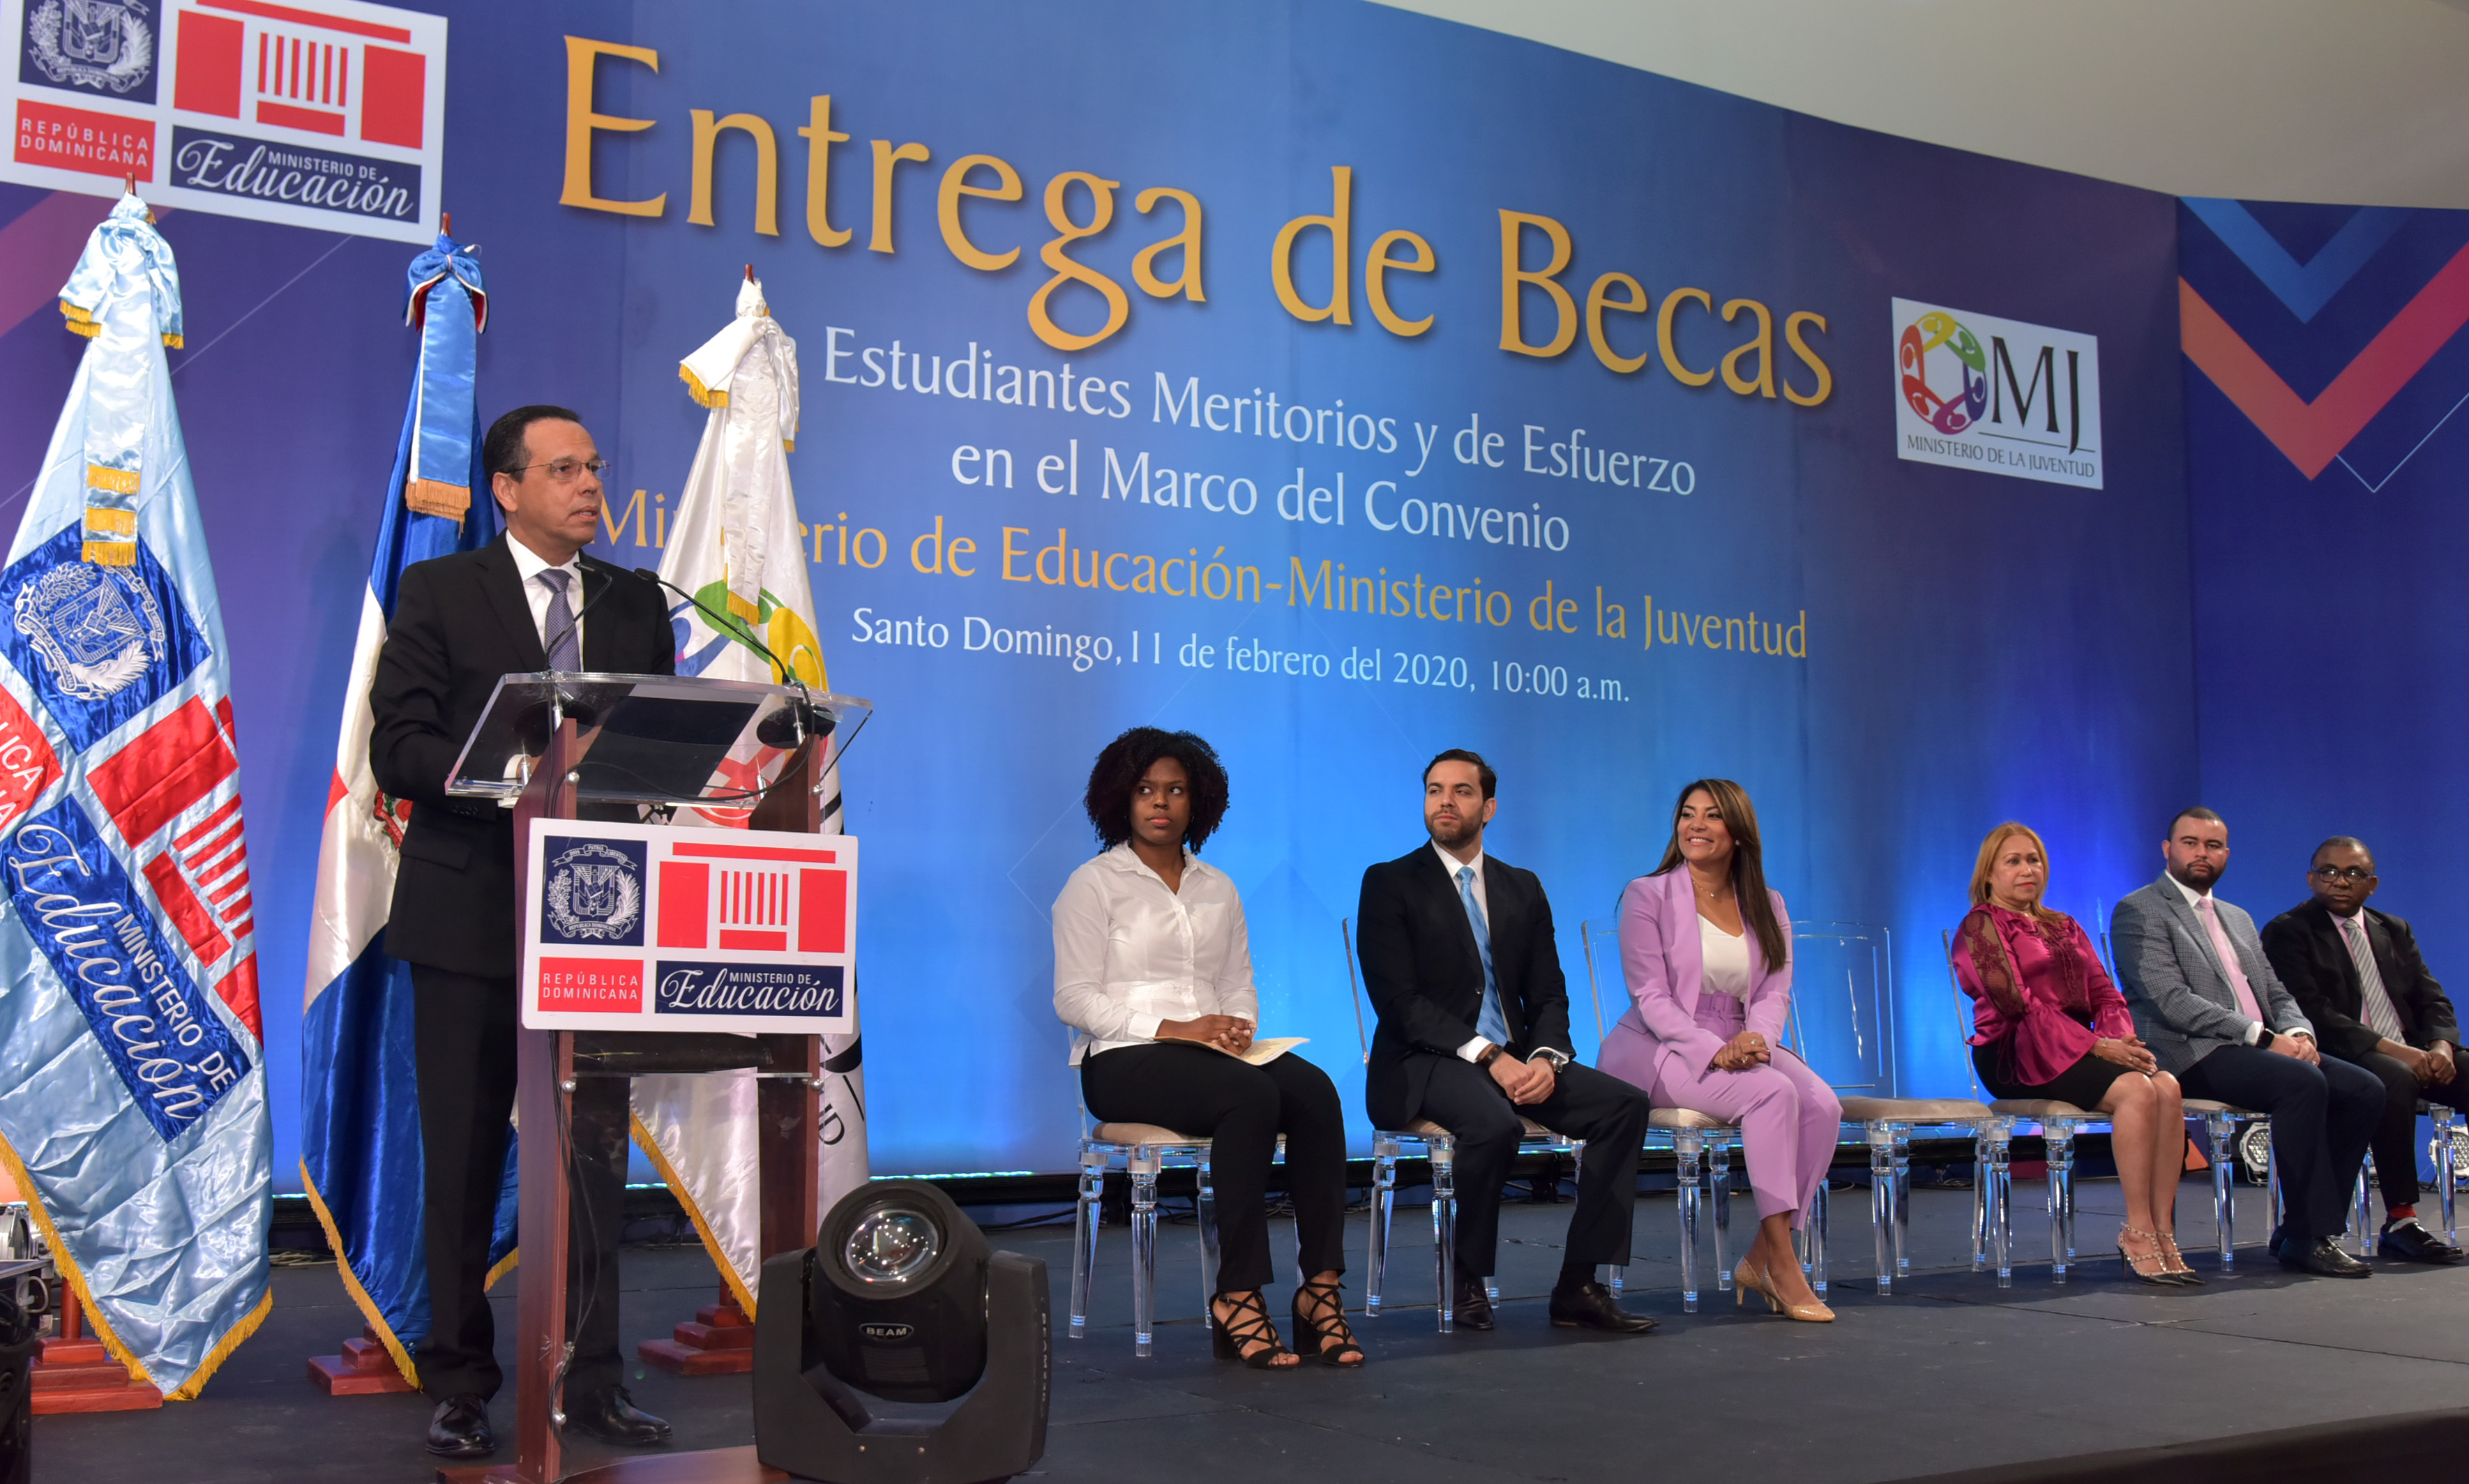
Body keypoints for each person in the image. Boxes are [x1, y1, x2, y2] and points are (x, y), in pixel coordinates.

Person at [370, 406, 678, 1458]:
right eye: (564, 469)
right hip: (468, 917)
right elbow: (398, 745)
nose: (590, 484)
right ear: (506, 488)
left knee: (593, 1165)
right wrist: (513, 779)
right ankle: (459, 1382)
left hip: (597, 925)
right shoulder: (441, 592)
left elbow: (661, 756)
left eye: (595, 466)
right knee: (459, 1160)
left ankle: (592, 1379)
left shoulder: (636, 603)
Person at [1052, 728, 1363, 1369]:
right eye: (1145, 790)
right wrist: (1175, 1027)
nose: (1159, 803)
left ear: (1199, 803)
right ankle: (1238, 1293)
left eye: (1175, 790)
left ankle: (1321, 1290)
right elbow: (1075, 999)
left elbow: (1237, 983)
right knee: (1249, 1096)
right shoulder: (1094, 884)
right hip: (1122, 1058)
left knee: (1314, 1092)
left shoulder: (1217, 886)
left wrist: (1237, 1025)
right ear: (1122, 800)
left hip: (1209, 1055)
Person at [1355, 749, 1655, 1334]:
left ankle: (1578, 1284)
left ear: (1488, 807)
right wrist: (1488, 1055)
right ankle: (1469, 1277)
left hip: (1515, 1057)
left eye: (1462, 791)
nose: (1446, 801)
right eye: (1435, 789)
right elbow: (1400, 1004)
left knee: (1625, 1106)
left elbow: (1548, 994)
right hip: (1424, 1062)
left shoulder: (1522, 887)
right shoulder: (1390, 882)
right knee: (1495, 1125)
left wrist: (1546, 1057)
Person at [1599, 780, 1843, 1319]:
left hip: (1742, 1034)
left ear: (1738, 833)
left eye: (1712, 816)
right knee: (1773, 1095)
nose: (1696, 826)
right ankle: (1784, 1263)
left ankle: (1760, 1254)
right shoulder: (1648, 894)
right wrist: (1713, 1051)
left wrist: (1755, 1042)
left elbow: (1776, 988)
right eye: (1688, 814)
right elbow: (1650, 996)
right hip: (1659, 1043)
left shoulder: (1767, 903)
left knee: (1825, 1106)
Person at [2111, 808, 2384, 1279]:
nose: (2202, 853)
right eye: (2191, 843)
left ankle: (2300, 1226)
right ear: (2168, 849)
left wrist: (2297, 1032)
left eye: (2213, 845)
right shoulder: (2140, 909)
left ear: (2227, 854)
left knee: (2365, 1090)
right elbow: (2169, 1000)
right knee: (2301, 1083)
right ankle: (2309, 1236)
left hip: (2260, 1047)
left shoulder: (2237, 917)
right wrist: (2263, 1037)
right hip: (2189, 1051)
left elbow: (2276, 992)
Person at [1951, 824, 2196, 1285]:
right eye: (2015, 861)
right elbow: (2016, 1004)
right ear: (1989, 875)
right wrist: (2098, 1047)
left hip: (2081, 1048)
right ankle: (2137, 1230)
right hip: (2014, 1053)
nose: (2029, 869)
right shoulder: (1980, 925)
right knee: (2136, 1093)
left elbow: (2106, 994)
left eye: (2035, 860)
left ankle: (2164, 1232)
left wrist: (2120, 1043)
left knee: (2166, 1084)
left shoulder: (2064, 925)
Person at [2261, 838, 2467, 1264]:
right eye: (2328, 872)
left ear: (2371, 884)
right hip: (2345, 1049)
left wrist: (2441, 1048)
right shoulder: (2289, 931)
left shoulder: (2393, 929)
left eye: (2353, 874)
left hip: (2411, 1049)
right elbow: (2314, 1012)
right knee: (2394, 1076)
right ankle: (2402, 1221)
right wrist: (2403, 1054)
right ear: (2311, 878)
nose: (2339, 882)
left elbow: (2433, 999)